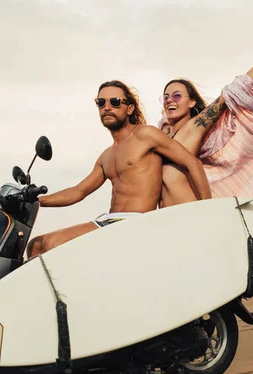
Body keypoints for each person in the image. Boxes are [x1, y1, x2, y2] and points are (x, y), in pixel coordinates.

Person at [26, 80, 212, 258]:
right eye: (101, 102)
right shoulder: (106, 156)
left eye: (115, 102)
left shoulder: (145, 135)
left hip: (135, 222)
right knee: (35, 244)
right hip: (109, 221)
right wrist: (35, 200)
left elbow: (192, 163)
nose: (107, 107)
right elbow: (79, 191)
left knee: (52, 243)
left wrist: (209, 210)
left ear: (129, 108)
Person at [158, 36, 253, 207]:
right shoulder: (162, 133)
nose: (170, 100)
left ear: (191, 102)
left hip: (187, 212)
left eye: (177, 96)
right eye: (166, 97)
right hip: (165, 216)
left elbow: (227, 96)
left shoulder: (193, 128)